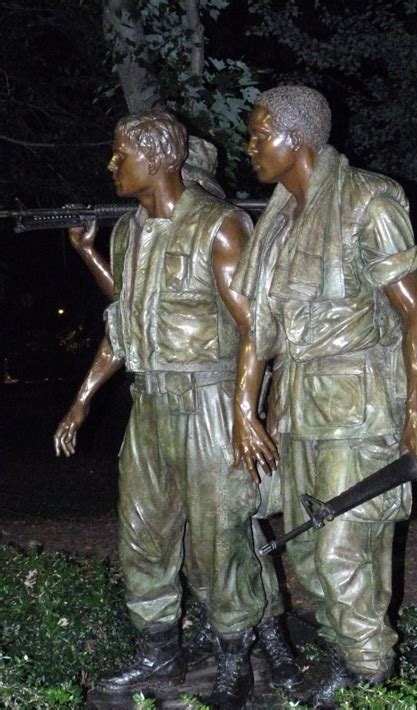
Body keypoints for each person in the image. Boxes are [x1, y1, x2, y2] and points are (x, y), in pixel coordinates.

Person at [54, 111, 301, 709]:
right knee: (143, 536)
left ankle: (234, 653)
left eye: (121, 154)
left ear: (161, 156)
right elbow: (124, 330)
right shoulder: (126, 234)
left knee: (220, 541)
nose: (112, 165)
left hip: (211, 403)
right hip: (151, 406)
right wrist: (80, 404)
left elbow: (257, 331)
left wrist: (246, 412)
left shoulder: (219, 227)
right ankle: (157, 652)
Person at [232, 86, 417, 706]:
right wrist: (245, 411)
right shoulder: (276, 222)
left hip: (360, 408)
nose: (249, 148)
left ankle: (371, 675)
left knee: (342, 549)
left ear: (296, 138)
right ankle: (343, 657)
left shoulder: (367, 200)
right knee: (303, 553)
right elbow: (258, 330)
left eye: (258, 135)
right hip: (299, 408)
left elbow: (416, 315)